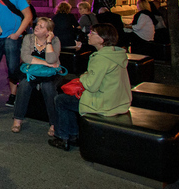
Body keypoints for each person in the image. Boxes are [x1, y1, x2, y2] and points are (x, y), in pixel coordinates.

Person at [50, 23, 131, 151]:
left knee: (61, 100)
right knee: (67, 99)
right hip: (119, 100)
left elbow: (91, 86)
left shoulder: (101, 58)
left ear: (102, 39)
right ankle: (73, 135)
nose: (88, 34)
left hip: (105, 104)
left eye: (93, 33)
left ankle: (63, 137)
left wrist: (83, 77)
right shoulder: (116, 55)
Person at [12, 17, 61, 137]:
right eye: (37, 25)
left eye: (41, 26)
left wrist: (48, 42)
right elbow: (25, 57)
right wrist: (45, 63)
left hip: (49, 74)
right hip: (31, 71)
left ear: (48, 31)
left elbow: (52, 59)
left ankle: (54, 123)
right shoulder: (29, 38)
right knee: (24, 85)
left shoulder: (55, 41)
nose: (37, 27)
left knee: (48, 88)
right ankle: (18, 119)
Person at [0, 0, 33, 107]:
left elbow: (28, 16)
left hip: (11, 37)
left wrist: (17, 34)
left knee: (13, 69)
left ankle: (13, 95)